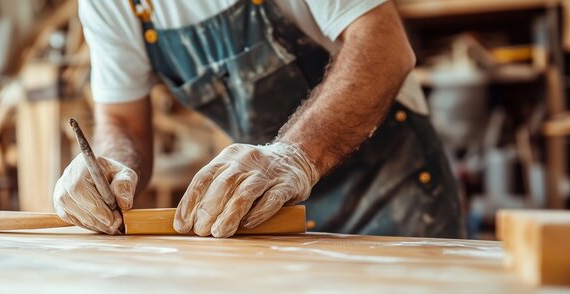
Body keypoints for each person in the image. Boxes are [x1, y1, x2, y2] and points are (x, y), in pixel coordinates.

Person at [54, 0, 466, 238]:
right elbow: (122, 122)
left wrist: (294, 156)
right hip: (272, 210)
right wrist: (109, 169)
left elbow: (384, 47)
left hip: (391, 188)